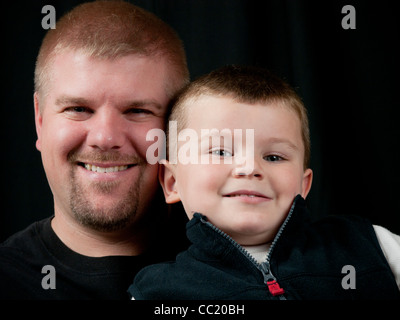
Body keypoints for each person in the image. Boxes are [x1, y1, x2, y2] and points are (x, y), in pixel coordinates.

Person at [129, 65, 400, 299]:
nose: (250, 168)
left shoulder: (368, 244)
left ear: (303, 186)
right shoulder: (158, 292)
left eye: (273, 156)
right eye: (221, 152)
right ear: (173, 182)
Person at [0, 0, 189, 299]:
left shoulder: (247, 265)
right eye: (78, 108)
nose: (105, 137)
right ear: (39, 120)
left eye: (138, 111)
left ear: (178, 126)